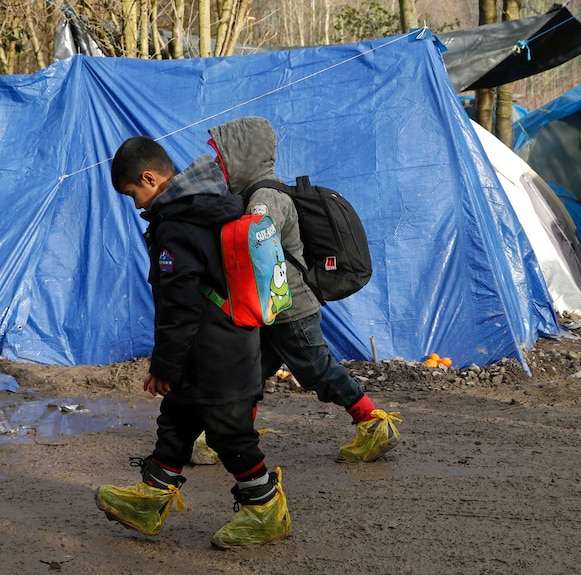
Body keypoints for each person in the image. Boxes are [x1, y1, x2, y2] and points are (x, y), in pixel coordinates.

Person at [94, 136, 291, 549]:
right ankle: (150, 498)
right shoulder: (210, 207)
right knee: (179, 419)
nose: (137, 205)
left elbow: (180, 306)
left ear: (149, 177)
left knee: (230, 434)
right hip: (225, 344)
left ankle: (265, 510)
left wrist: (164, 367)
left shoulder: (177, 227)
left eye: (134, 193)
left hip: (213, 353)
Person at [206, 116, 402, 462]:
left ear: (243, 156)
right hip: (269, 308)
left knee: (318, 370)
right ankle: (232, 438)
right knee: (248, 374)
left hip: (290, 310)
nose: (218, 165)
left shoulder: (264, 198)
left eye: (222, 158)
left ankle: (373, 423)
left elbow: (256, 242)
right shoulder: (254, 192)